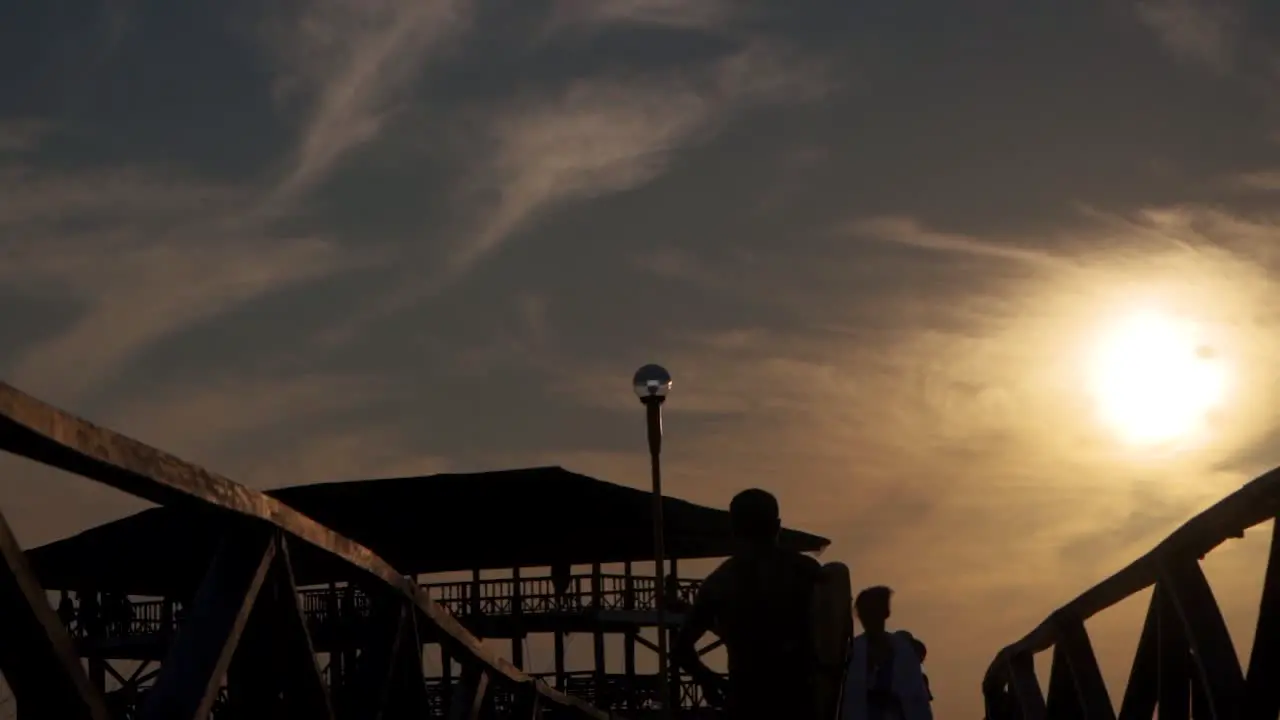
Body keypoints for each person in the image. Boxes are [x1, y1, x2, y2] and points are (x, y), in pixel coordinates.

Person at [674, 489, 823, 720]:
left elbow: (681, 649)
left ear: (733, 529)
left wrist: (709, 680)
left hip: (745, 701)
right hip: (798, 701)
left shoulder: (720, 582)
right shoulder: (807, 572)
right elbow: (835, 635)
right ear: (778, 526)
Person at [841, 586, 932, 720]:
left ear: (885, 613)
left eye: (873, 611)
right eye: (866, 612)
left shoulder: (903, 651)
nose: (869, 617)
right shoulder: (852, 652)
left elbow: (917, 701)